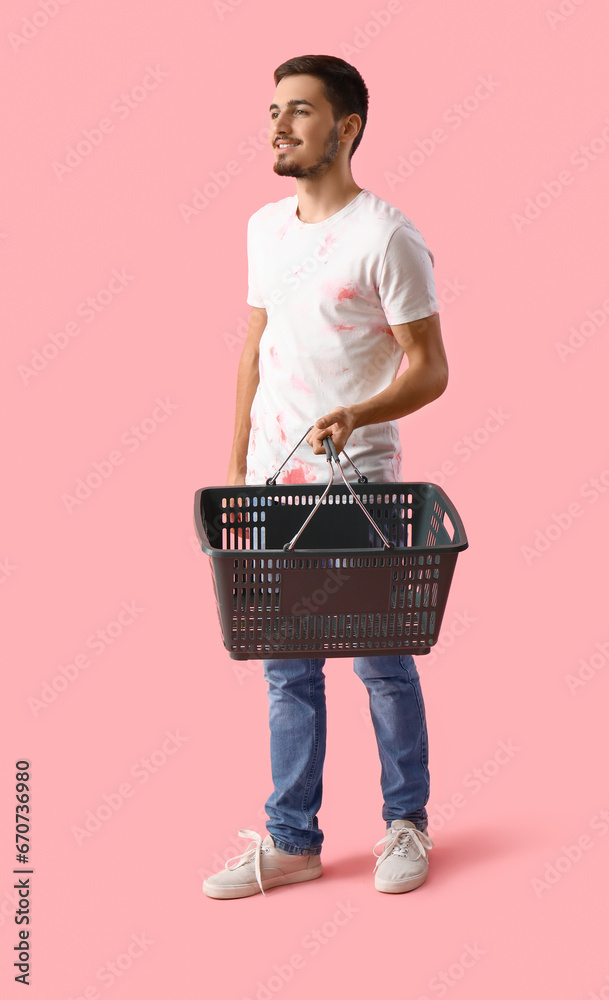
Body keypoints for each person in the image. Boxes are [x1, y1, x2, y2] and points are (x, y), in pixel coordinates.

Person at [203, 54, 448, 900]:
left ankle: (405, 824)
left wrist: (360, 415)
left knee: (381, 662)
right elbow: (255, 348)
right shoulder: (263, 228)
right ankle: (291, 841)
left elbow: (430, 367)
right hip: (277, 489)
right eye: (273, 108)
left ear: (345, 129)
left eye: (299, 111)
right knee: (287, 670)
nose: (278, 124)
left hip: (359, 490)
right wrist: (236, 468)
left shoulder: (386, 235)